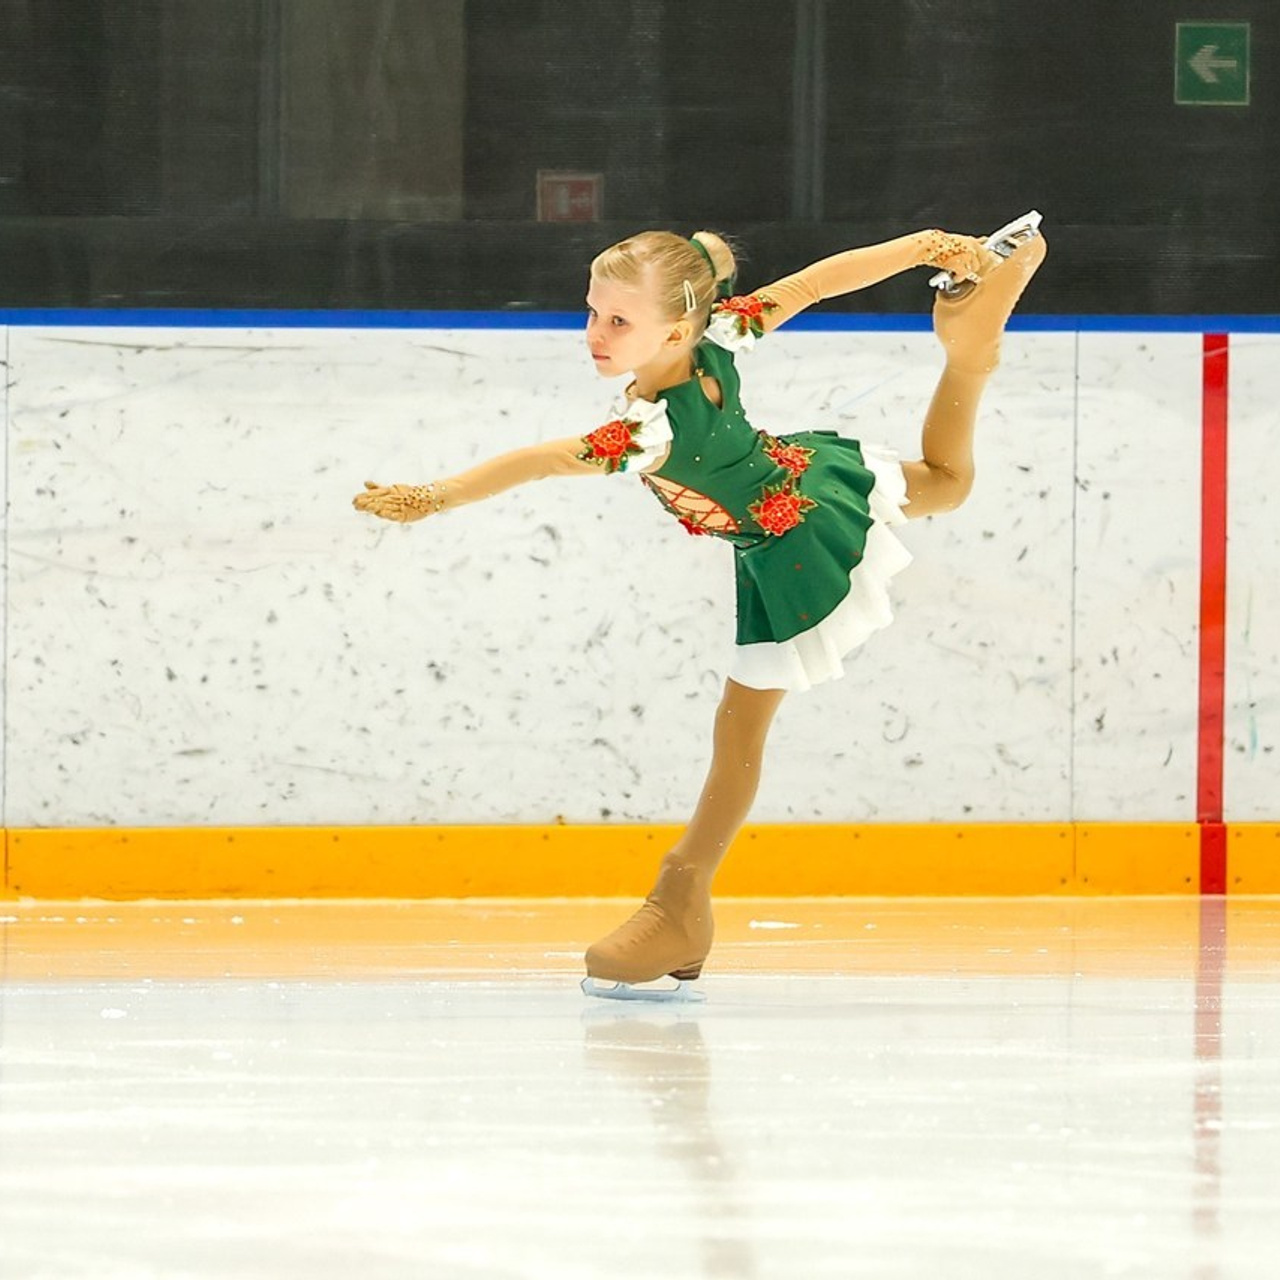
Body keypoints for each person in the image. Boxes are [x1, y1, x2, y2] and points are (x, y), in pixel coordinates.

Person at [354, 215, 1047, 995]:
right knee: (947, 484)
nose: (595, 333)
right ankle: (970, 348)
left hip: (789, 545)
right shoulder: (724, 332)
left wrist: (433, 495)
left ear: (675, 326)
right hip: (801, 480)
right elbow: (820, 280)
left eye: (618, 320)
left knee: (740, 732)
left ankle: (681, 895)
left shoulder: (644, 431)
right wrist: (922, 246)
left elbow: (540, 461)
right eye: (592, 311)